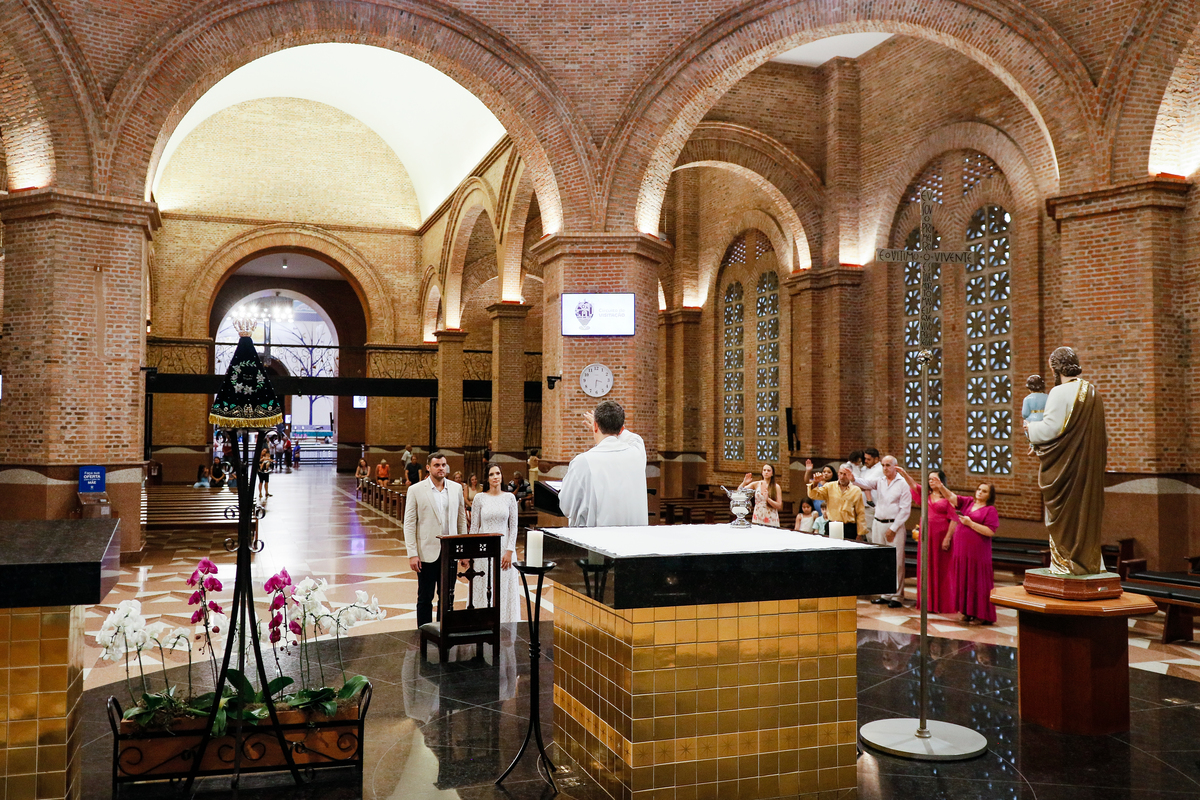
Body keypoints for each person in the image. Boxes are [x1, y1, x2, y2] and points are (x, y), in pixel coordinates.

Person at [1025, 346, 1108, 575]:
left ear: (1056, 368)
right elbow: (1101, 436)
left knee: (1065, 516)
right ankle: (1091, 563)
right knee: (1085, 514)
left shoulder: (1059, 392)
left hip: (1066, 469)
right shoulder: (1093, 392)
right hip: (1089, 467)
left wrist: (1030, 428)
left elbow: (1051, 429)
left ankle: (1065, 564)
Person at [403, 452, 468, 627]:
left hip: (450, 552)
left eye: (443, 465)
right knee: (425, 597)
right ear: (428, 467)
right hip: (426, 552)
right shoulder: (416, 490)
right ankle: (424, 633)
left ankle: (443, 631)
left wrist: (463, 551)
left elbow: (461, 520)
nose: (441, 468)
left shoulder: (456, 488)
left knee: (447, 597)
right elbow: (409, 524)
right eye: (437, 465)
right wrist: (412, 554)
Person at [560, 399, 648, 527]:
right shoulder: (637, 453)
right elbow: (633, 437)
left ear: (595, 426)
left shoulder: (583, 462)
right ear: (621, 429)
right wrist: (610, 425)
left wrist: (599, 424)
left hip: (599, 537)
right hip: (635, 537)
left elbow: (566, 506)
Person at [897, 466, 958, 614]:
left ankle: (943, 603)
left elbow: (954, 519)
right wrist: (904, 473)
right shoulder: (926, 495)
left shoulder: (949, 497)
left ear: (941, 480)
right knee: (926, 567)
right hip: (927, 535)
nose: (931, 481)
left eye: (934, 479)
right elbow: (913, 485)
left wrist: (948, 538)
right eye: (929, 479)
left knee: (942, 568)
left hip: (941, 535)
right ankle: (928, 603)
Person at [855, 455, 912, 608]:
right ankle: (885, 594)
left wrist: (893, 528)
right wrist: (852, 478)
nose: (885, 468)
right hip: (878, 523)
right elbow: (865, 483)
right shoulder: (880, 481)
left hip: (894, 525)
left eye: (888, 465)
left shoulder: (902, 483)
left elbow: (905, 509)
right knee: (882, 560)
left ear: (895, 466)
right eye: (883, 465)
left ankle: (897, 596)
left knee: (896, 561)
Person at [469, 464, 521, 623]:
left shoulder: (510, 498)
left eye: (498, 473)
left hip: (505, 549)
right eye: (491, 474)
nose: (495, 477)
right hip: (483, 549)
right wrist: (471, 553)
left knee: (503, 587)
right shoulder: (479, 498)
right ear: (487, 478)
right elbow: (474, 527)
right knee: (483, 584)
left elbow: (513, 527)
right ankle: (482, 622)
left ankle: (505, 623)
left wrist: (509, 551)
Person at [943, 482, 999, 624]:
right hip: (962, 550)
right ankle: (966, 611)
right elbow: (951, 497)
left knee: (977, 580)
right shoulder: (968, 503)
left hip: (978, 552)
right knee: (964, 579)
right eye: (979, 489)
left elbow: (990, 531)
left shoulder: (990, 510)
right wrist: (940, 486)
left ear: (990, 495)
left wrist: (970, 523)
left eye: (984, 491)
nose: (980, 492)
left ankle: (981, 614)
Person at [805, 461, 866, 540]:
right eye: (840, 473)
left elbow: (860, 513)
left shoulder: (856, 490)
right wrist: (815, 483)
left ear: (850, 475)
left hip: (849, 527)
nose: (842, 477)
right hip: (832, 524)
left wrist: (860, 533)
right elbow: (814, 495)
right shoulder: (829, 486)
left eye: (845, 474)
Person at [858, 448, 883, 539]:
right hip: (863, 504)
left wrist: (859, 484)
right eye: (865, 459)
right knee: (867, 530)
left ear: (876, 459)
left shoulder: (880, 469)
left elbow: (867, 484)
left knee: (873, 531)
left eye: (869, 459)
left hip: (873, 505)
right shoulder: (864, 469)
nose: (866, 461)